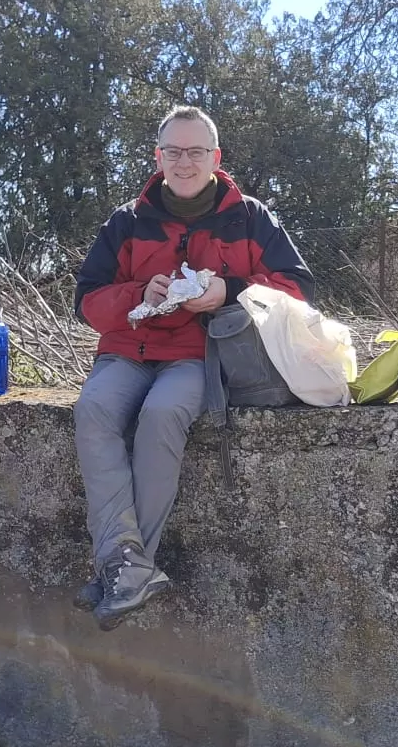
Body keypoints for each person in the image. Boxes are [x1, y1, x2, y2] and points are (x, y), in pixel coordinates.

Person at [70, 105, 315, 626]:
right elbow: (87, 300)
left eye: (196, 151)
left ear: (215, 157)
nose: (184, 162)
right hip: (126, 351)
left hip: (198, 356)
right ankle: (127, 566)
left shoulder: (250, 217)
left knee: (162, 415)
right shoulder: (126, 221)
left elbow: (297, 290)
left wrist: (231, 290)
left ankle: (122, 568)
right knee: (93, 408)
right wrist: (140, 294)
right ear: (157, 157)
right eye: (174, 152)